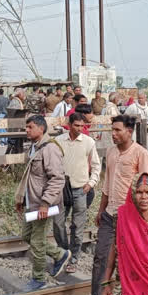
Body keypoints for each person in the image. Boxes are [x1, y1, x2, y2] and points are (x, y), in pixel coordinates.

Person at [75, 115, 148, 295]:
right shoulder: (110, 152)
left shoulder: (141, 154)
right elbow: (107, 184)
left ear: (129, 131)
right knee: (101, 257)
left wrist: (142, 220)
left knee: (130, 261)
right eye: (112, 130)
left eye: (117, 130)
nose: (113, 134)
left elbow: (145, 190)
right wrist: (101, 209)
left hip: (131, 217)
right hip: (110, 215)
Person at [14, 115, 71, 291]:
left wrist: (45, 204)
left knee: (37, 242)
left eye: (30, 127)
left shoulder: (50, 149)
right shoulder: (35, 147)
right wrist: (21, 198)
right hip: (33, 202)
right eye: (26, 127)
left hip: (43, 204)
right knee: (26, 236)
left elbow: (57, 179)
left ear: (41, 128)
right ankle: (60, 254)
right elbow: (32, 178)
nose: (27, 130)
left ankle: (38, 279)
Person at [53, 112, 101, 274]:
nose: (80, 129)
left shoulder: (88, 142)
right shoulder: (58, 141)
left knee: (77, 226)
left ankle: (73, 259)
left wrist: (91, 183)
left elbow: (96, 165)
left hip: (81, 189)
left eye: (82, 126)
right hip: (61, 190)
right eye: (76, 125)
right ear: (69, 124)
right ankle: (63, 253)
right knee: (58, 223)